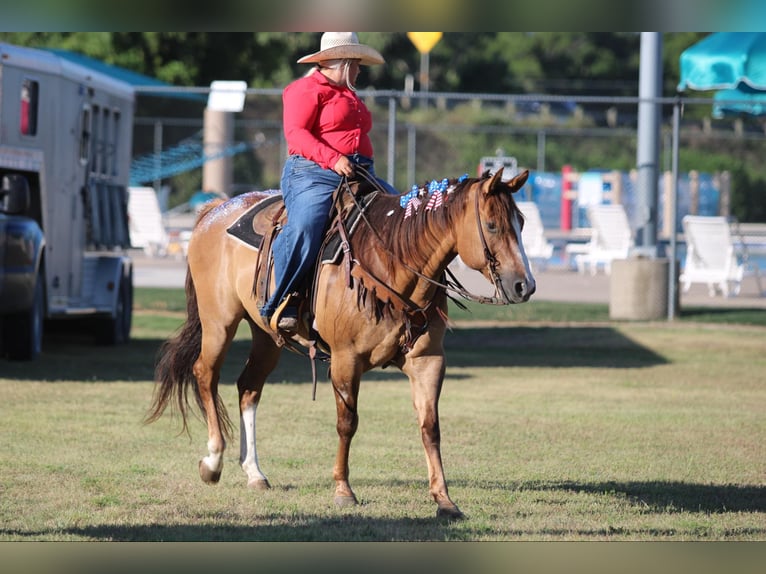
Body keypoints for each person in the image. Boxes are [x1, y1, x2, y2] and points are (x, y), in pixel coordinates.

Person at [261, 32, 397, 332]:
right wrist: (333, 158)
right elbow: (296, 134)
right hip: (313, 172)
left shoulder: (348, 92)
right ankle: (287, 297)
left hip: (359, 172)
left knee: (402, 213)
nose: (360, 70)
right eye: (356, 64)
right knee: (308, 223)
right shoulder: (304, 89)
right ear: (343, 62)